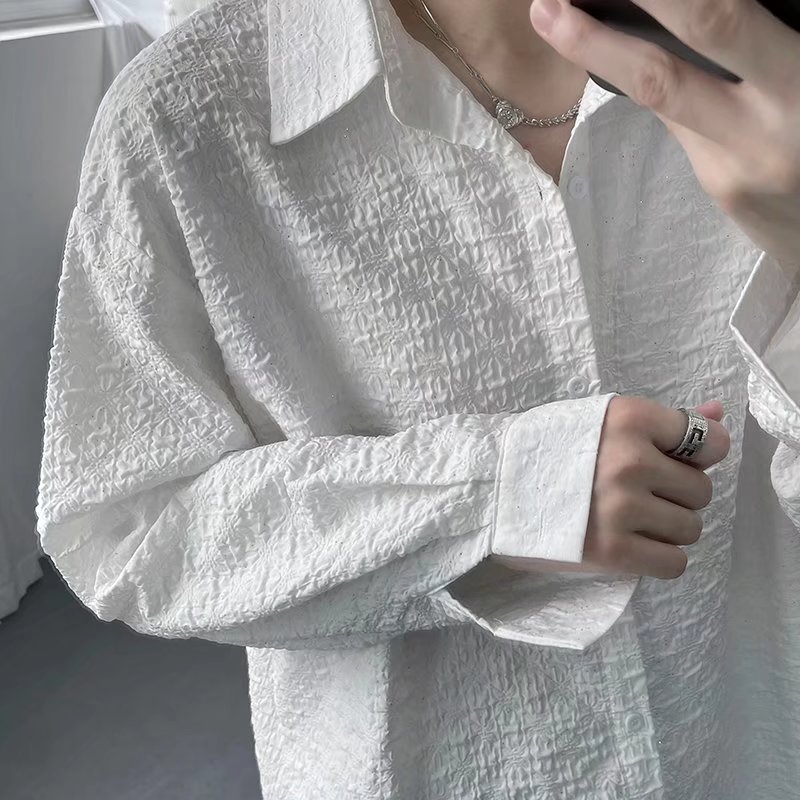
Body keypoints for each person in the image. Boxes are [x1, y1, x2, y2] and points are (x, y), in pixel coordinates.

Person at [35, 0, 800, 797]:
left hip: (749, 749)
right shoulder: (185, 114)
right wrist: (499, 497)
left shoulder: (774, 65)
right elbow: (124, 527)